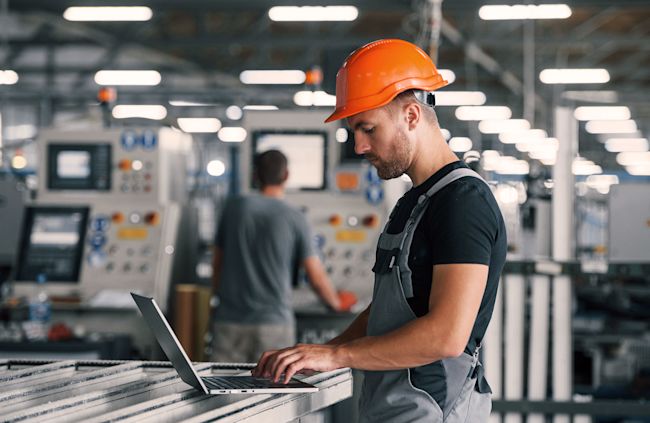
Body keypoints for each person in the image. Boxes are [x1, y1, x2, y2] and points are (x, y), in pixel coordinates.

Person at [252, 39, 507, 422]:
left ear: (411, 115)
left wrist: (336, 355)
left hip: (434, 411)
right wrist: (319, 354)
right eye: (354, 131)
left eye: (367, 128)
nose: (358, 145)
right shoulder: (413, 201)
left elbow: (447, 335)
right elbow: (389, 311)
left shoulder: (462, 203)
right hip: (394, 407)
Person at [210, 149, 348, 363]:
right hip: (273, 324)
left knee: (223, 389)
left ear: (255, 175)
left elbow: (216, 264)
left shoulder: (233, 208)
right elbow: (315, 276)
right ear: (286, 176)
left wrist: (222, 301)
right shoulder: (295, 217)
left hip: (229, 321)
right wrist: (336, 303)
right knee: (273, 390)